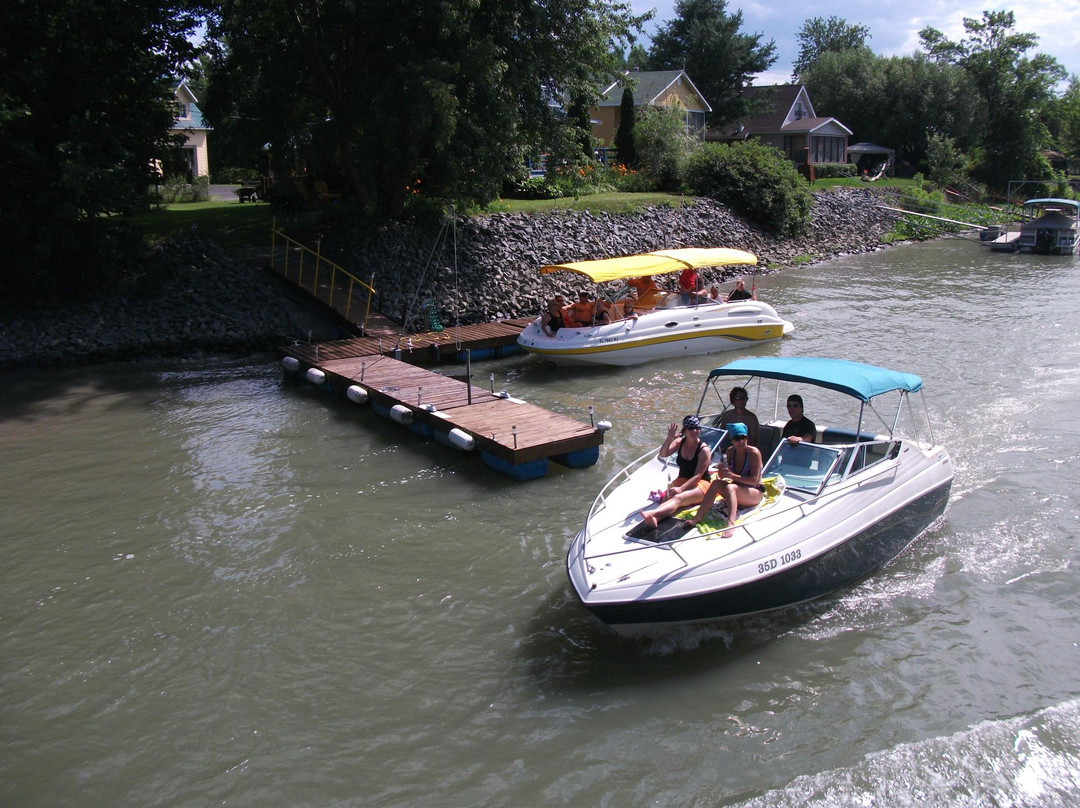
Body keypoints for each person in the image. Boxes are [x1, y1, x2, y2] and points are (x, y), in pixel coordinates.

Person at [686, 422, 763, 536]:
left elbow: (754, 480)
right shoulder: (730, 451)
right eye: (737, 438)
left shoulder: (753, 453)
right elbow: (725, 477)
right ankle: (698, 517)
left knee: (731, 487)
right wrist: (722, 473)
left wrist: (733, 476)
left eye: (743, 437)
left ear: (747, 438)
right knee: (716, 483)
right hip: (738, 489)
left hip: (754, 492)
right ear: (732, 440)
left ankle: (731, 524)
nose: (741, 441)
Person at [639, 415, 713, 530]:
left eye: (697, 428)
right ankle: (656, 519)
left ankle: (651, 513)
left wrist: (681, 489)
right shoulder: (680, 442)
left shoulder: (704, 450)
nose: (695, 431)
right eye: (691, 428)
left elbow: (698, 476)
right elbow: (663, 454)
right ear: (685, 430)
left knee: (678, 498)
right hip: (682, 480)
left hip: (702, 484)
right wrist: (669, 439)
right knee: (666, 500)